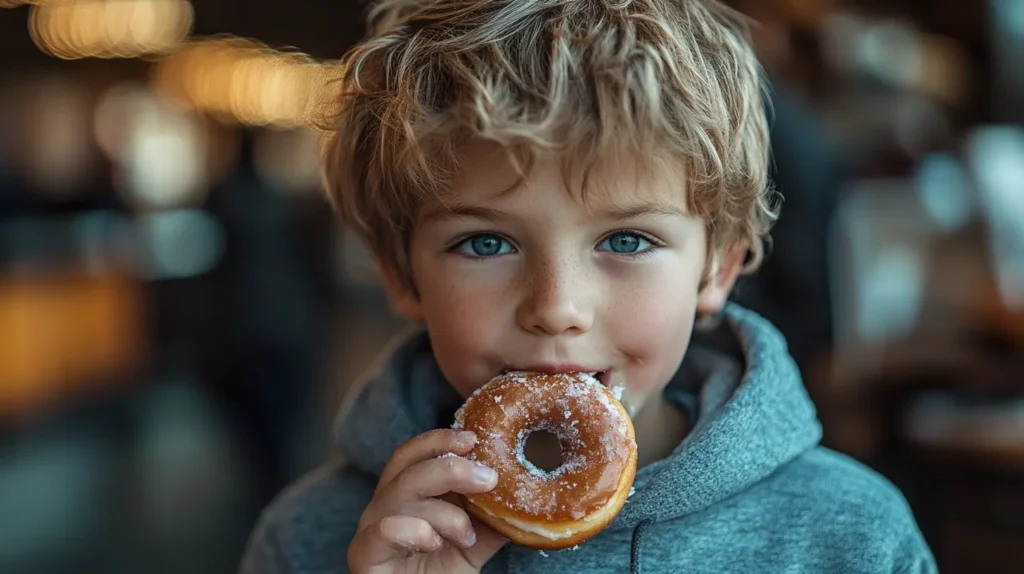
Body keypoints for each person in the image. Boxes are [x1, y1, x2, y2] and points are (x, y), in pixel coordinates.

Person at [240, 1, 935, 572]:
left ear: (717, 267)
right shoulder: (314, 540)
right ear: (402, 277)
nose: (557, 308)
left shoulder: (850, 538)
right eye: (486, 243)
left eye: (626, 241)